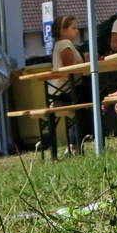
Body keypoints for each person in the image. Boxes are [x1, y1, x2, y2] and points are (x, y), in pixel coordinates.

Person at [48, 15, 86, 153]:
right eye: (73, 28)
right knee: (95, 95)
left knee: (92, 98)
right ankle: (74, 144)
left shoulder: (61, 44)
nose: (77, 31)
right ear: (63, 31)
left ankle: (75, 144)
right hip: (66, 91)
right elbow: (69, 68)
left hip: (61, 91)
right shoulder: (65, 44)